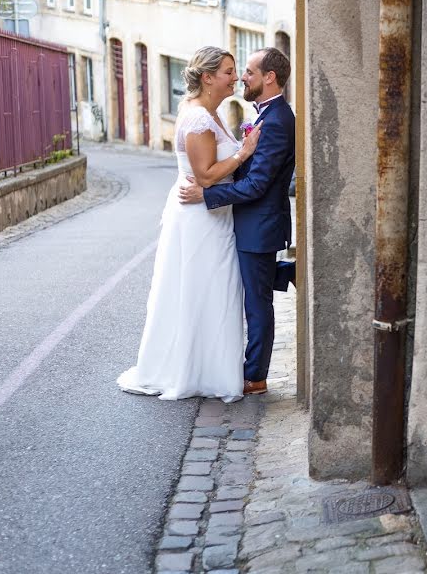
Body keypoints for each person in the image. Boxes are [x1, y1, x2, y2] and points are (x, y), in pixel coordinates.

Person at [117, 46, 262, 402]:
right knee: (204, 289)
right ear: (208, 77)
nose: (235, 78)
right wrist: (244, 152)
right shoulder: (198, 118)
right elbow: (206, 176)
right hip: (202, 218)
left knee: (214, 290)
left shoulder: (209, 113)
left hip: (213, 215)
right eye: (228, 71)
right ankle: (195, 371)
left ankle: (209, 366)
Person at [179, 47, 295, 396]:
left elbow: (258, 183)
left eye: (247, 71)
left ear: (269, 77)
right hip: (247, 223)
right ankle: (291, 272)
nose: (243, 77)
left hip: (257, 226)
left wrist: (208, 195)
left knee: (256, 303)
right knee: (251, 289)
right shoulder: (264, 115)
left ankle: (255, 377)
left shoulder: (276, 120)